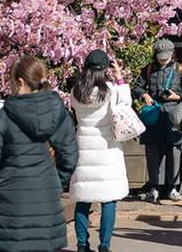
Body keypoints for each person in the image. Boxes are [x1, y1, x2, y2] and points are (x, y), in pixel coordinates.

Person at [0, 54, 78, 252]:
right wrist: (57, 181)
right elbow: (70, 155)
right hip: (46, 197)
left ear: (20, 82)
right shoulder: (58, 114)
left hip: (9, 202)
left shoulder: (5, 116)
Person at [70, 50, 132, 252]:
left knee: (83, 198)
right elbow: (126, 105)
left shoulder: (76, 92)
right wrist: (120, 76)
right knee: (109, 199)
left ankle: (81, 245)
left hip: (84, 148)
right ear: (106, 68)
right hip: (107, 149)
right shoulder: (111, 90)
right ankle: (104, 246)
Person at [133, 38, 182, 203]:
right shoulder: (149, 69)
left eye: (165, 56)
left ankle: (173, 187)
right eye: (160, 56)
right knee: (152, 151)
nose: (162, 59)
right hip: (154, 115)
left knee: (175, 150)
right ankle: (154, 187)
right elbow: (137, 86)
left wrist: (179, 96)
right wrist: (143, 94)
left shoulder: (181, 69)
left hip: (174, 115)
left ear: (172, 54)